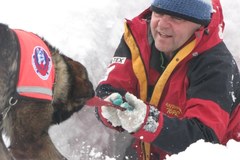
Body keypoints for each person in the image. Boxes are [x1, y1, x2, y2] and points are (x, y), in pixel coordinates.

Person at [95, 0, 240, 159]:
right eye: (158, 13)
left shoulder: (216, 65)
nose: (162, 25)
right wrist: (109, 107)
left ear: (200, 24)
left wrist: (147, 122)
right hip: (147, 150)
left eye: (177, 18)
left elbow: (204, 139)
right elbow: (109, 89)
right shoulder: (138, 38)